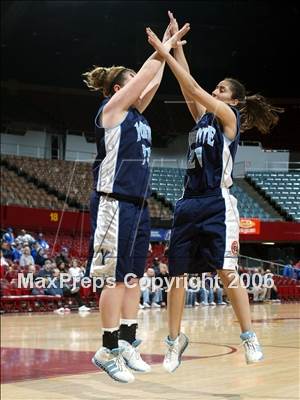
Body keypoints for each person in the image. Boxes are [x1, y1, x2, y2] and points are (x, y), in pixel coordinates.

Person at [146, 11, 283, 372]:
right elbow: (189, 87)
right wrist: (175, 47)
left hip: (217, 203)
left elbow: (192, 88)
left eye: (220, 89)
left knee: (228, 272)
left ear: (233, 100)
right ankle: (174, 342)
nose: (214, 91)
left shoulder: (229, 118)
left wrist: (165, 49)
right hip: (187, 203)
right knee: (177, 276)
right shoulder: (203, 117)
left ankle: (249, 336)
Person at [83, 22, 190, 383]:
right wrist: (166, 44)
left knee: (132, 278)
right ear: (118, 88)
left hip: (137, 205)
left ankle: (127, 341)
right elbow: (148, 71)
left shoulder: (137, 116)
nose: (140, 86)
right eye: (132, 82)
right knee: (113, 280)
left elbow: (153, 80)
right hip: (113, 203)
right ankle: (107, 348)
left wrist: (169, 52)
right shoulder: (110, 111)